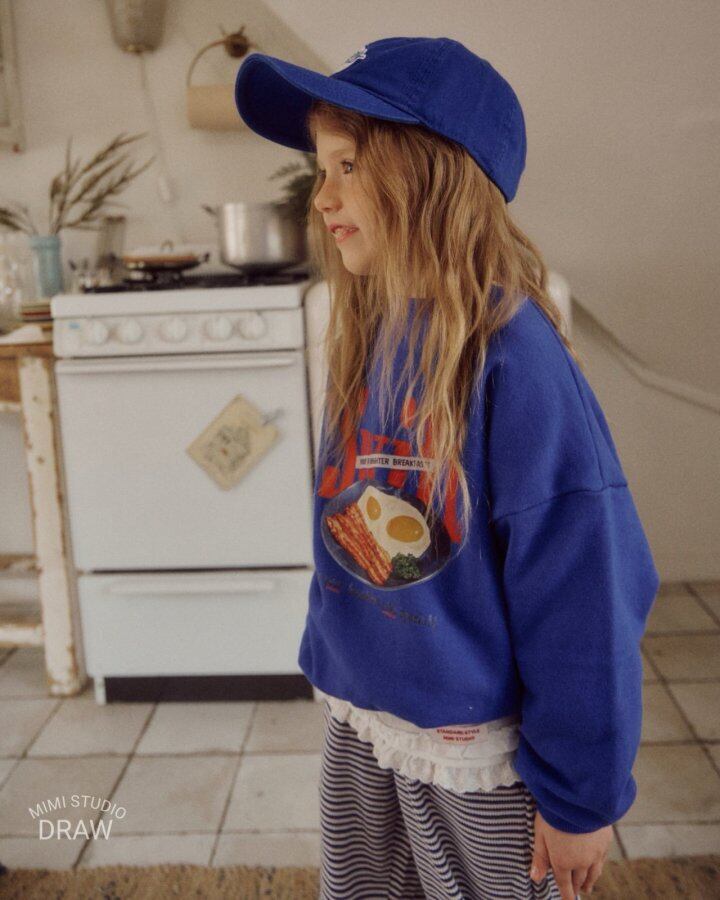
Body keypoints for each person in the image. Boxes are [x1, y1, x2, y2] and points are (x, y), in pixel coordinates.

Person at [234, 37, 660, 900]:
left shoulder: (515, 359)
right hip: (365, 719)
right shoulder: (376, 326)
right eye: (322, 168)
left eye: (349, 166)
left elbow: (586, 594)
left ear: (430, 174)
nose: (323, 197)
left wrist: (580, 798)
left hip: (473, 754)